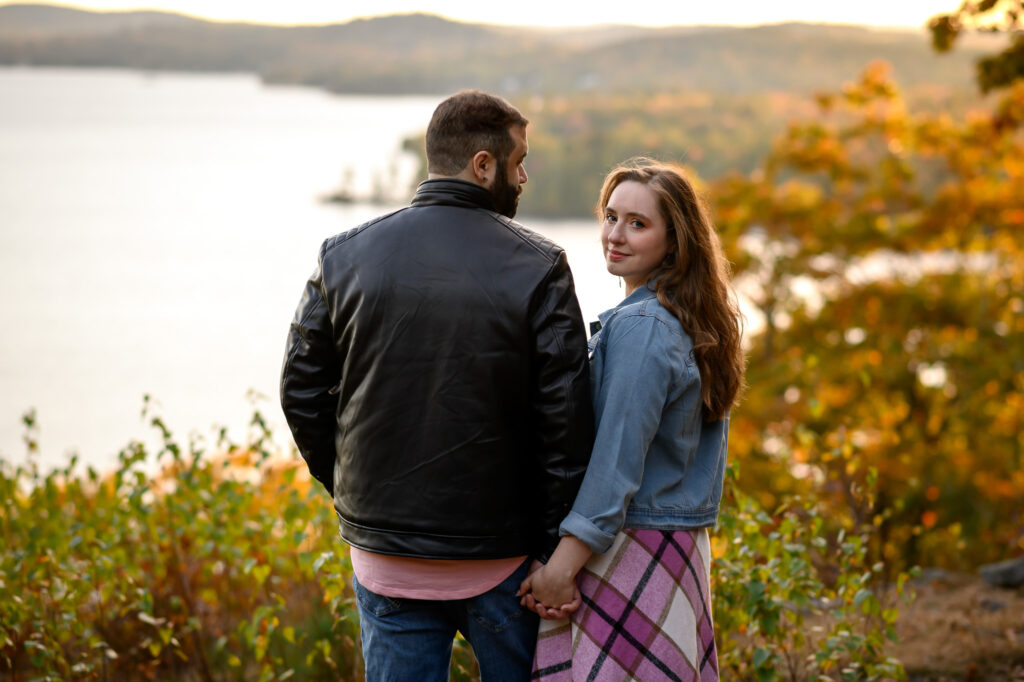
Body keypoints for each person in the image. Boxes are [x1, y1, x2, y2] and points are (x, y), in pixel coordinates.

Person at [279, 90, 594, 681]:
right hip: (505, 565)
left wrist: (355, 493)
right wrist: (553, 552)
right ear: (482, 164)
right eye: (519, 160)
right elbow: (568, 429)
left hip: (386, 564)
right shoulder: (541, 265)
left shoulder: (343, 256)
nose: (524, 176)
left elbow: (300, 393)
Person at [519, 159, 745, 681]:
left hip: (629, 550)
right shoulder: (687, 318)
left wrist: (561, 568)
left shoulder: (643, 327)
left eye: (638, 224)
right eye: (610, 216)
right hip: (676, 550)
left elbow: (615, 465)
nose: (615, 236)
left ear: (676, 241)